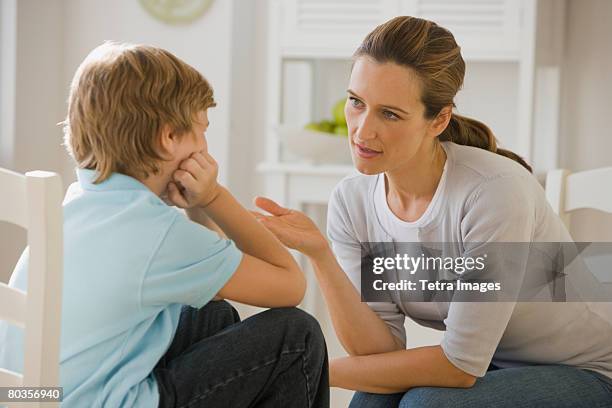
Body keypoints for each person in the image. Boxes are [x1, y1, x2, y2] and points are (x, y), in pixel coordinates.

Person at [253, 16, 612, 407]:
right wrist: (321, 256)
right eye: (356, 102)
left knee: (425, 404)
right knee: (371, 401)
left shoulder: (492, 193)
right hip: (490, 364)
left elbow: (457, 366)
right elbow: (377, 351)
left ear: (438, 119)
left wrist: (312, 368)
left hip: (589, 370)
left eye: (389, 114)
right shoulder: (353, 201)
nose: (361, 131)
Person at [0, 42, 329, 408]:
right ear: (169, 138)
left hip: (33, 397)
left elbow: (215, 289)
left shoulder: (81, 202)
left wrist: (196, 212)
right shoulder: (158, 233)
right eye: (201, 131)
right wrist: (213, 198)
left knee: (211, 313)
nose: (205, 147)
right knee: (297, 336)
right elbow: (290, 286)